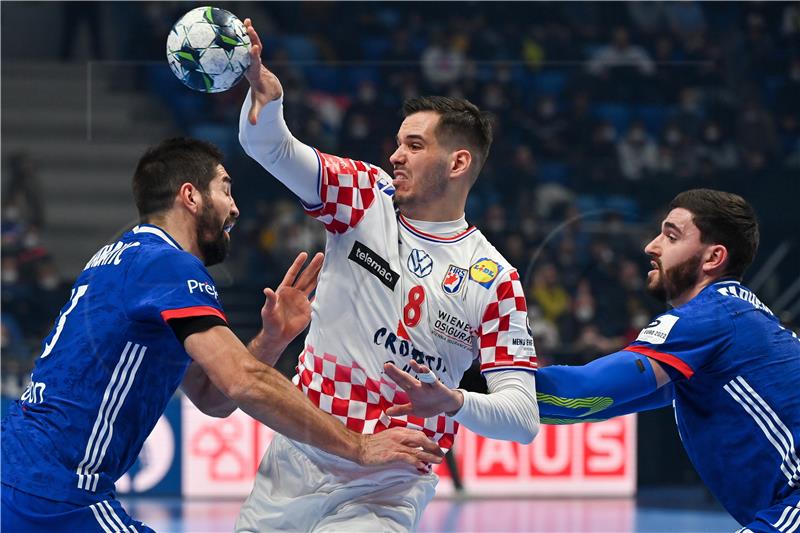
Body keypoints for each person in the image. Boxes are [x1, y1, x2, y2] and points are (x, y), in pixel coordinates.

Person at [0, 138, 443, 533]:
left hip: (23, 468)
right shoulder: (167, 264)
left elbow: (212, 397)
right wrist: (360, 446)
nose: (234, 208)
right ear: (190, 196)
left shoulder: (118, 257)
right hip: (55, 488)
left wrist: (272, 338)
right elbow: (243, 381)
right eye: (225, 189)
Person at [236, 19, 539, 532]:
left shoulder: (495, 279)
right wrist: (268, 103)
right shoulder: (363, 198)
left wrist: (455, 401)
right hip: (300, 455)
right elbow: (274, 150)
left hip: (390, 483)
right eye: (398, 143)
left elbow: (523, 419)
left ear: (458, 162)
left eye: (415, 145)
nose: (396, 155)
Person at [391, 189, 800, 531]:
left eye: (671, 237)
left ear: (713, 258)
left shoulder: (710, 318)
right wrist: (482, 391)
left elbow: (588, 390)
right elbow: (589, 404)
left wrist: (466, 379)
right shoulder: (735, 324)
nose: (650, 246)